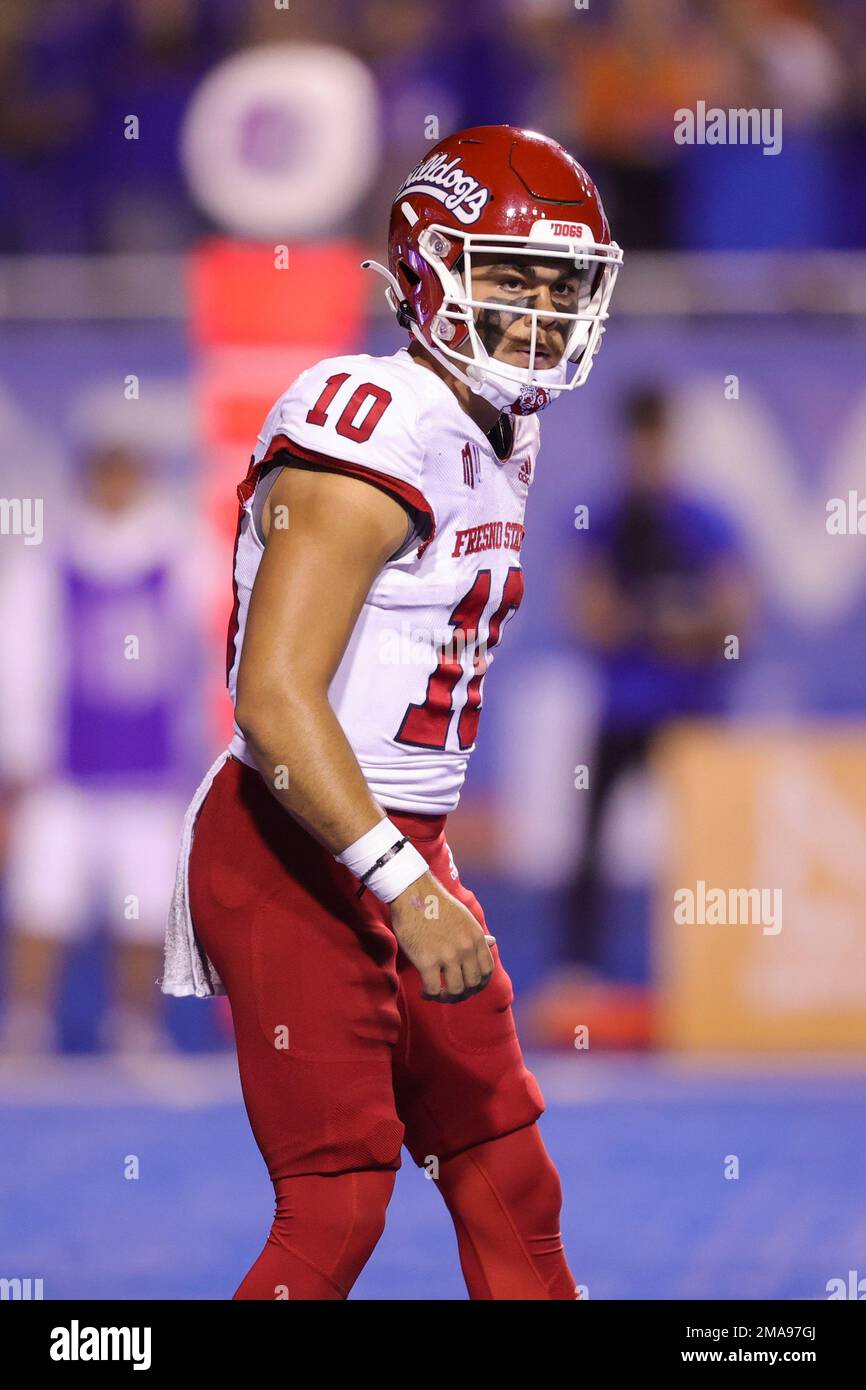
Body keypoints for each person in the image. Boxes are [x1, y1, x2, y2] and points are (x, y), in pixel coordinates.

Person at [161, 125, 622, 1300]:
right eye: (504, 274)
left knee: (510, 1177)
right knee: (337, 1203)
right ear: (425, 271)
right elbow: (272, 700)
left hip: (395, 838)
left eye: (555, 282)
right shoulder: (375, 416)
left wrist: (419, 865)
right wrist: (402, 882)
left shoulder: (498, 424)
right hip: (294, 844)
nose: (534, 308)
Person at [0, 443, 211, 1055]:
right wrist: (22, 756)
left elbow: (208, 655)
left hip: (150, 767)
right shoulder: (47, 562)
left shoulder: (181, 557)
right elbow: (20, 663)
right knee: (42, 899)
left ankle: (135, 1026)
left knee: (145, 903)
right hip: (67, 768)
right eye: (107, 475)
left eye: (128, 474)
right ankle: (26, 1024)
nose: (117, 487)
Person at [562, 387, 753, 971]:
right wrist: (669, 620)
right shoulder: (605, 519)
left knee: (709, 853)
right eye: (639, 442)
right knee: (590, 851)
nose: (647, 454)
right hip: (623, 710)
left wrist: (662, 622)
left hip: (692, 713)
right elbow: (591, 618)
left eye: (657, 441)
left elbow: (738, 620)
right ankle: (583, 971)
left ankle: (715, 972)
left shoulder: (705, 520)